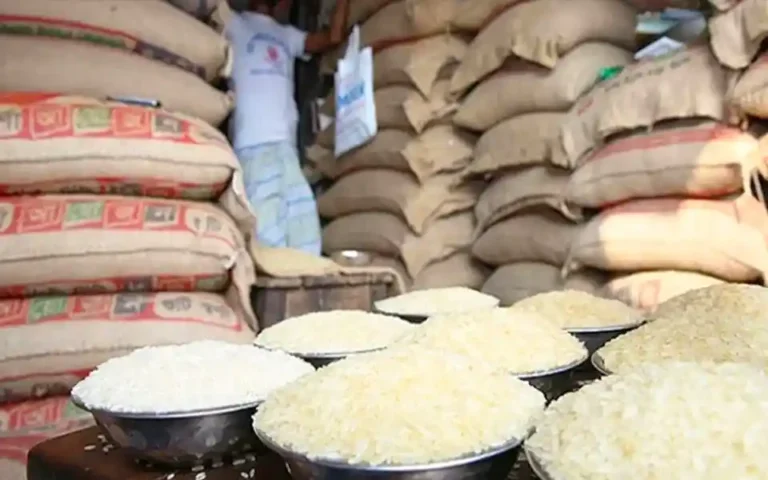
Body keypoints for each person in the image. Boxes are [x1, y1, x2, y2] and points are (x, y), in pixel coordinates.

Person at [226, 0, 349, 255]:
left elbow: (333, 37)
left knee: (307, 241)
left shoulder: (286, 34)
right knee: (268, 244)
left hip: (287, 152)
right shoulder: (233, 23)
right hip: (253, 148)